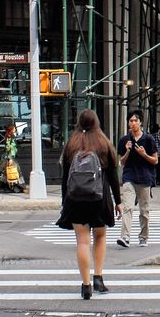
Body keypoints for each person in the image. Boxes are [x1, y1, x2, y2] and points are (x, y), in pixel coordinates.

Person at [58, 110, 122, 299]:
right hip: (99, 197)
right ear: (96, 123)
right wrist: (118, 201)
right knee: (100, 237)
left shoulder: (71, 144)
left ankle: (85, 285)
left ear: (79, 123)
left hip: (75, 198)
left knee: (82, 241)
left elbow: (64, 177)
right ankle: (98, 277)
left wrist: (64, 200)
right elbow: (112, 175)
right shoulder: (103, 143)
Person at [115, 110, 157, 248]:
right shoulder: (124, 140)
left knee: (144, 211)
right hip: (129, 177)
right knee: (127, 207)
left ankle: (143, 237)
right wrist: (127, 151)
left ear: (140, 123)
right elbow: (121, 162)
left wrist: (144, 154)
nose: (133, 123)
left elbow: (155, 160)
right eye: (131, 121)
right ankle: (125, 237)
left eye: (135, 121)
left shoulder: (149, 139)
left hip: (145, 178)